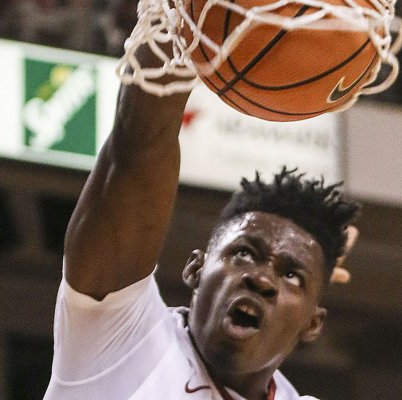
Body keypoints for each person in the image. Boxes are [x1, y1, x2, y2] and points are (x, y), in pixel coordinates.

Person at [42, 12, 361, 400]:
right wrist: (177, 21)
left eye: (292, 276)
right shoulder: (119, 338)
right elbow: (138, 147)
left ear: (313, 323)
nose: (261, 280)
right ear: (196, 268)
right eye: (244, 253)